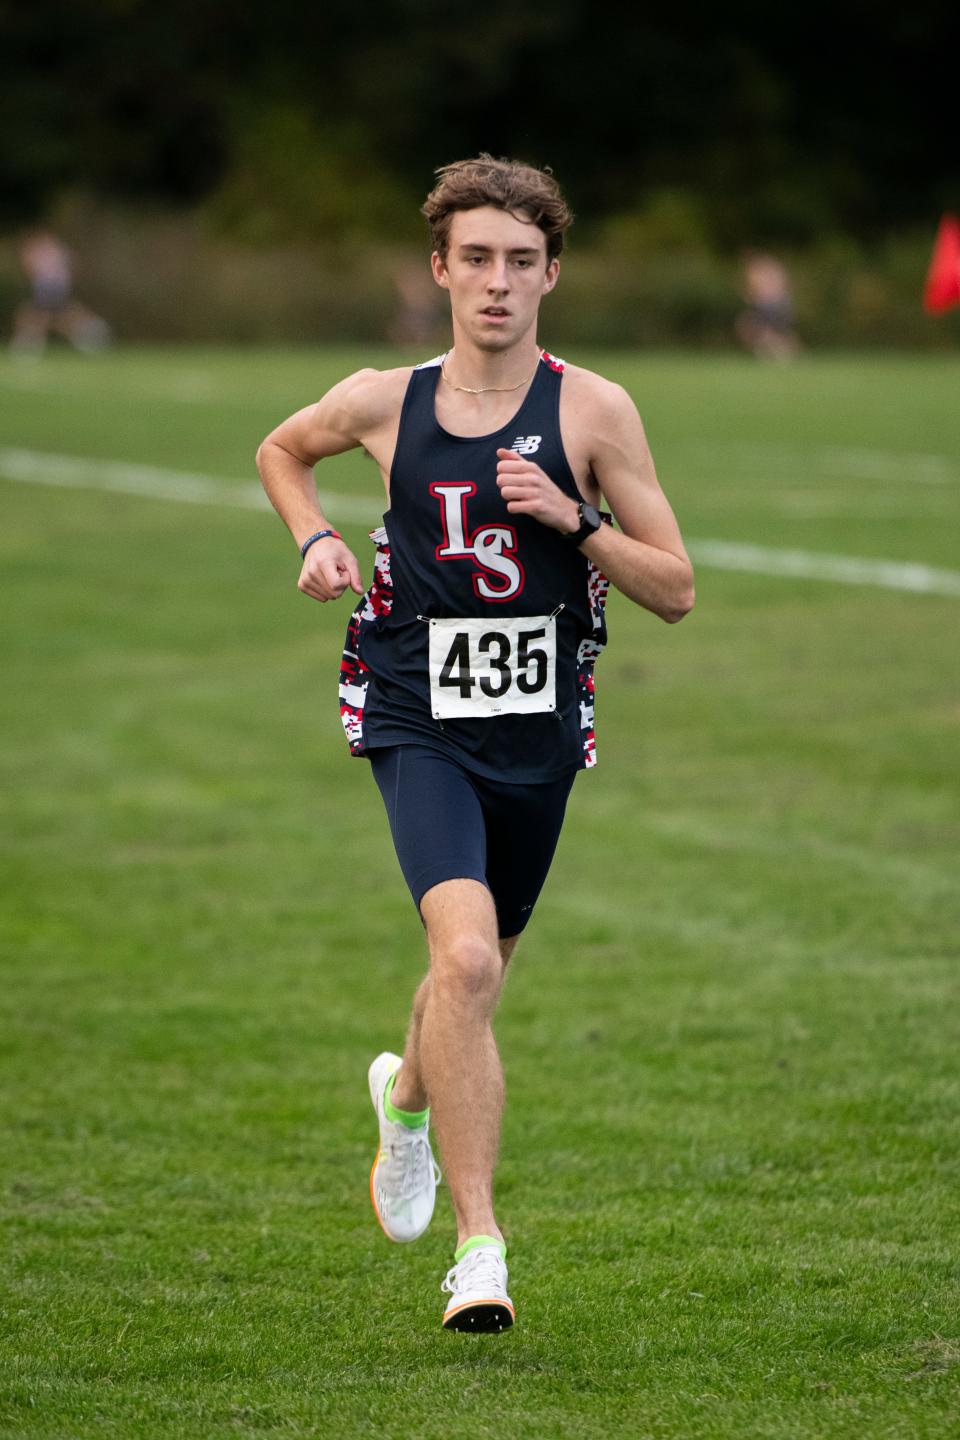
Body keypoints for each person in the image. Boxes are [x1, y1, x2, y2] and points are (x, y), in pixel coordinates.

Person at [256, 155, 694, 1334]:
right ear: (439, 269)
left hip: (538, 729)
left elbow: (677, 590)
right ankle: (481, 1247)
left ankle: (404, 1098)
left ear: (552, 274)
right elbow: (282, 450)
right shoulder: (381, 400)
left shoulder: (594, 411)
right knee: (466, 966)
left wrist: (576, 518)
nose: (497, 283)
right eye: (476, 261)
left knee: (477, 976)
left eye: (520, 262)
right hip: (416, 714)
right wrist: (313, 538)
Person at [9, 230, 111, 357]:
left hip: (49, 287)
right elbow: (73, 264)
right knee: (57, 316)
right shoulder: (59, 249)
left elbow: (30, 266)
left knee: (37, 316)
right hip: (57, 286)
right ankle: (89, 332)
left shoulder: (44, 250)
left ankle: (29, 345)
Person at [734, 249, 801, 361]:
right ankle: (783, 355)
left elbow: (758, 292)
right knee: (776, 333)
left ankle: (781, 355)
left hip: (769, 307)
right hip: (781, 305)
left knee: (755, 329)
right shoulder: (774, 268)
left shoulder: (757, 270)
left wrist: (751, 296)